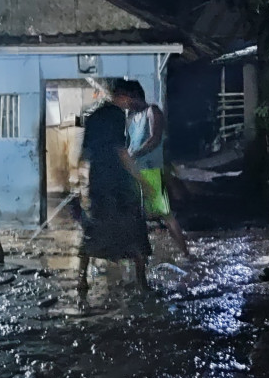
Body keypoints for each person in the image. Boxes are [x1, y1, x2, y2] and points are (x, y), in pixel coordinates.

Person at [76, 79, 153, 297]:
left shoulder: (93, 115)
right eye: (132, 99)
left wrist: (80, 183)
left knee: (93, 231)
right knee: (136, 232)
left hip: (97, 183)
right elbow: (121, 151)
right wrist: (142, 180)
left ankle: (81, 280)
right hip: (118, 185)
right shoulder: (116, 116)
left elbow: (84, 154)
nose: (132, 104)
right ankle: (142, 283)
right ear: (125, 96)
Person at [110, 79, 193, 259]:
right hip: (135, 171)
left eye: (122, 97)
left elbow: (154, 139)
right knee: (134, 214)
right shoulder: (131, 117)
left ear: (133, 95)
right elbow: (128, 144)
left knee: (165, 214)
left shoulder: (152, 111)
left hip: (151, 171)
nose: (121, 102)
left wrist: (133, 155)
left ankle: (186, 254)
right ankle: (135, 256)